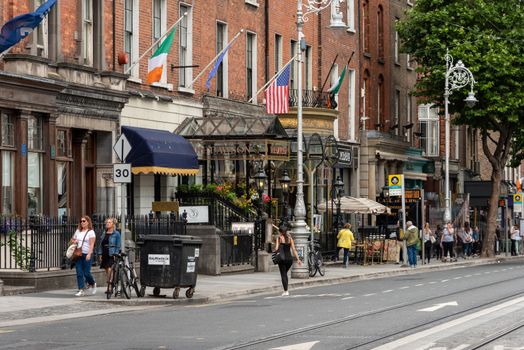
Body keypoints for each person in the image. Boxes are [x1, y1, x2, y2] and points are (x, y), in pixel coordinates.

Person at [70, 215, 96, 297]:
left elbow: (92, 245)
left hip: (86, 254)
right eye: (81, 221)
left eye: (84, 221)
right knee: (79, 273)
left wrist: (89, 254)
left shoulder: (91, 232)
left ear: (88, 222)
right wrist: (74, 241)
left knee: (87, 273)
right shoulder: (79, 232)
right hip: (78, 254)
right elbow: (72, 240)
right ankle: (81, 290)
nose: (82, 223)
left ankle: (92, 283)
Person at [274, 226, 301, 296]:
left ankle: (286, 291)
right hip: (289, 259)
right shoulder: (290, 238)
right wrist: (298, 259)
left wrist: (277, 247)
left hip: (282, 259)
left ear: (280, 232)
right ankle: (286, 290)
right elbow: (294, 250)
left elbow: (276, 248)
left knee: (283, 274)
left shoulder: (279, 238)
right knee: (285, 274)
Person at [97, 217, 121, 295]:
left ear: (113, 224)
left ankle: (110, 286)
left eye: (109, 222)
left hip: (112, 253)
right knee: (107, 271)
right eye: (107, 222)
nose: (107, 223)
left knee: (110, 270)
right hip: (104, 253)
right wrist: (100, 254)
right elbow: (101, 244)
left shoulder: (116, 233)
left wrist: (116, 254)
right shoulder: (104, 233)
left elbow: (118, 245)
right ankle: (111, 284)